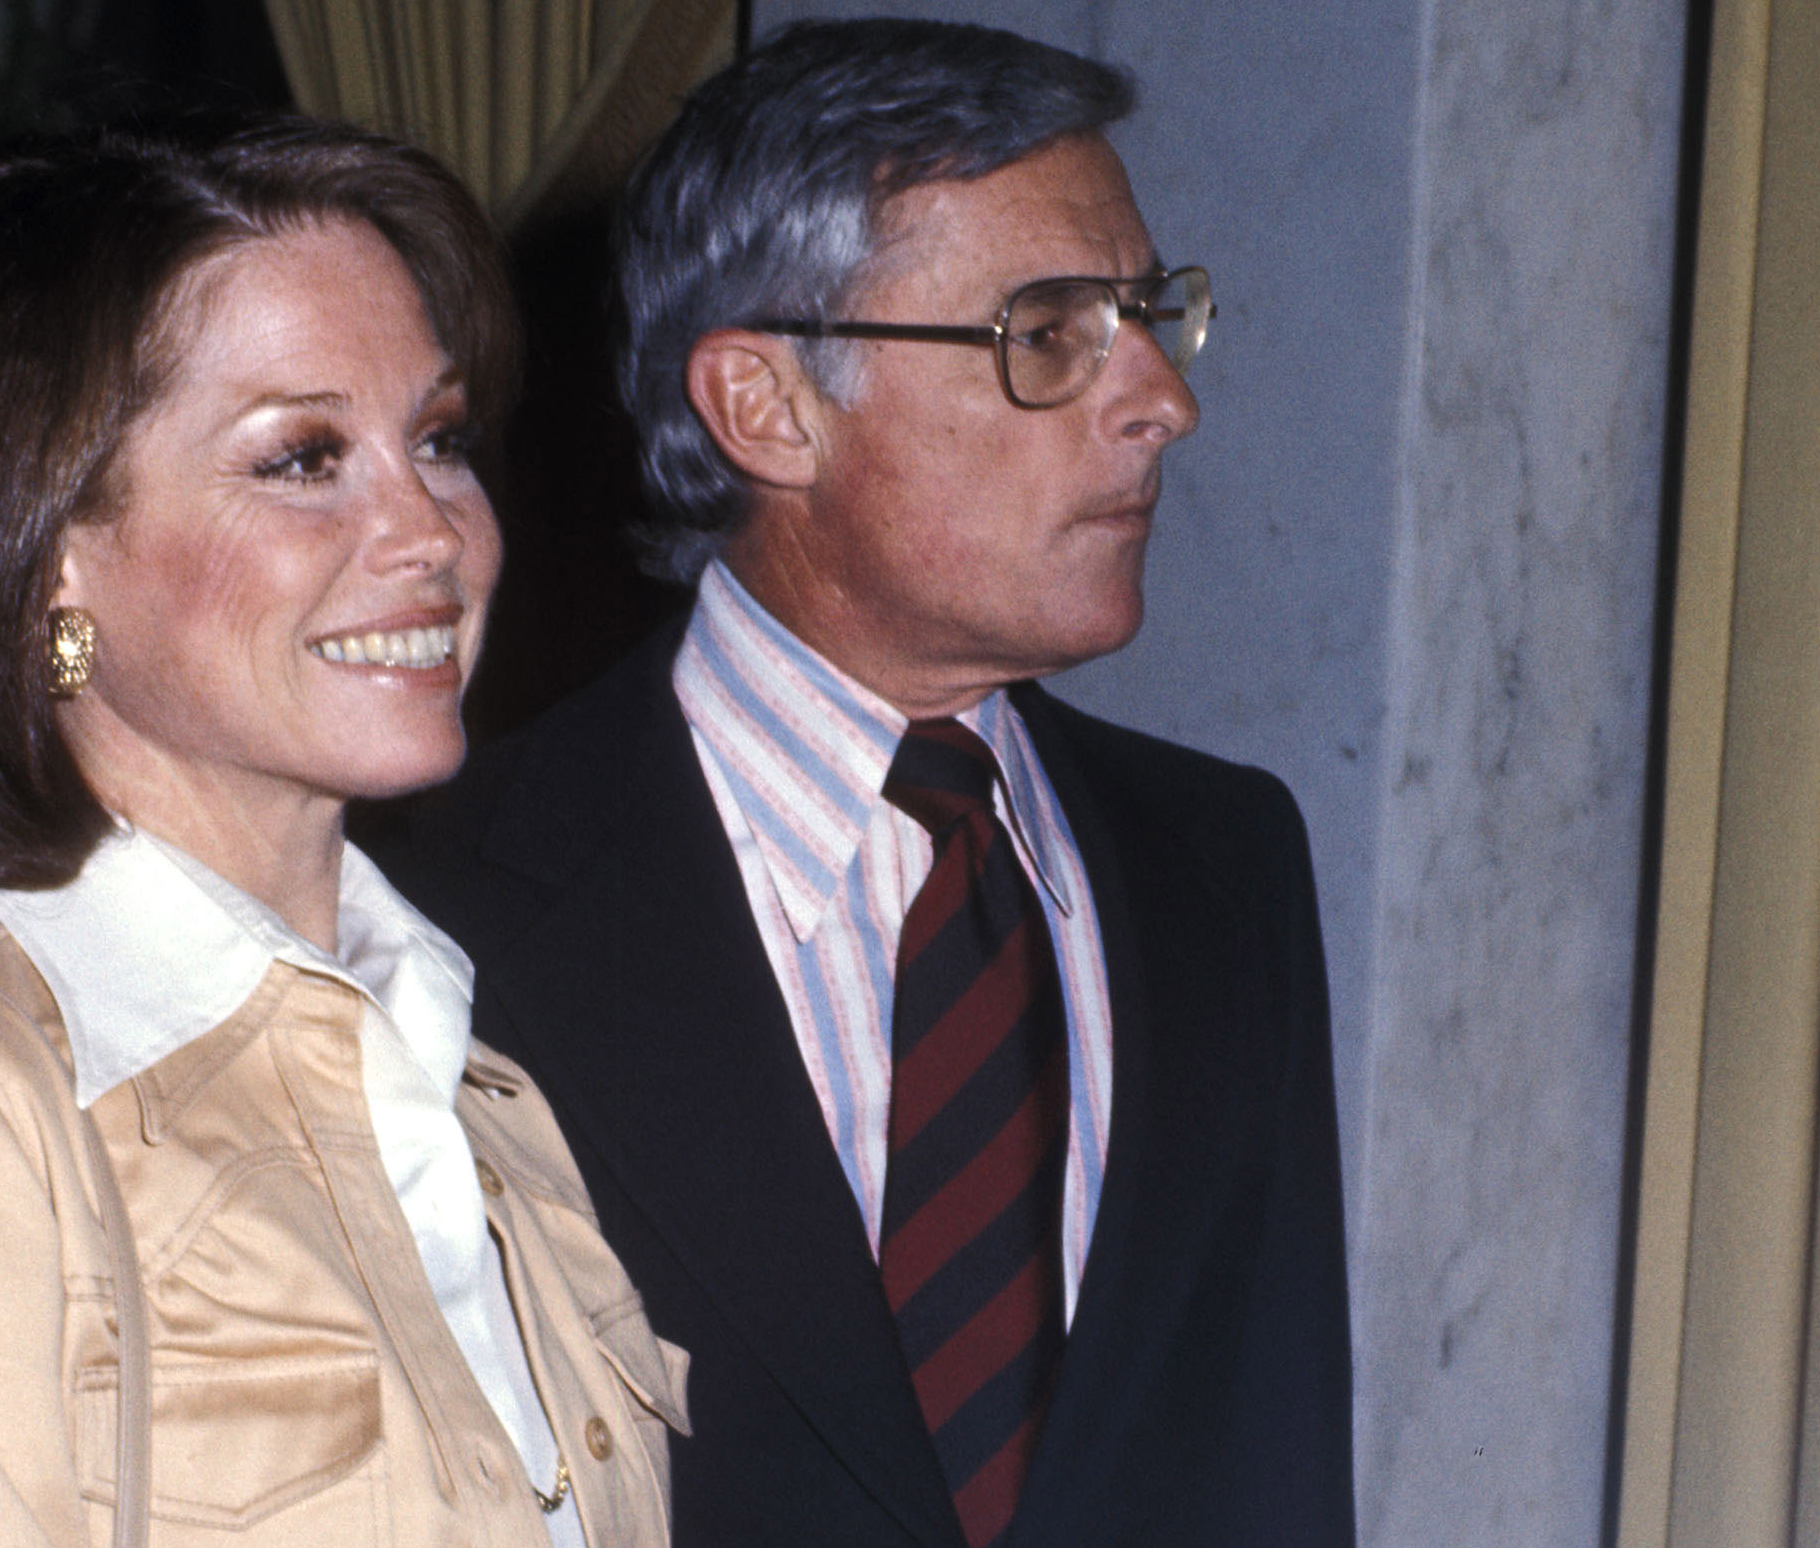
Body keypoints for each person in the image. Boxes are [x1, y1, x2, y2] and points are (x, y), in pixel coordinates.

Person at [383, 19, 1354, 1548]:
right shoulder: (426, 912)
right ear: (766, 406)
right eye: (1051, 331)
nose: (1163, 397)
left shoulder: (1223, 865)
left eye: (1151, 312)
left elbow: (1274, 1475)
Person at [0, 114, 686, 1547]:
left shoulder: (484, 1095)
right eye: (303, 457)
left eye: (438, 437)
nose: (431, 528)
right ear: (51, 561)